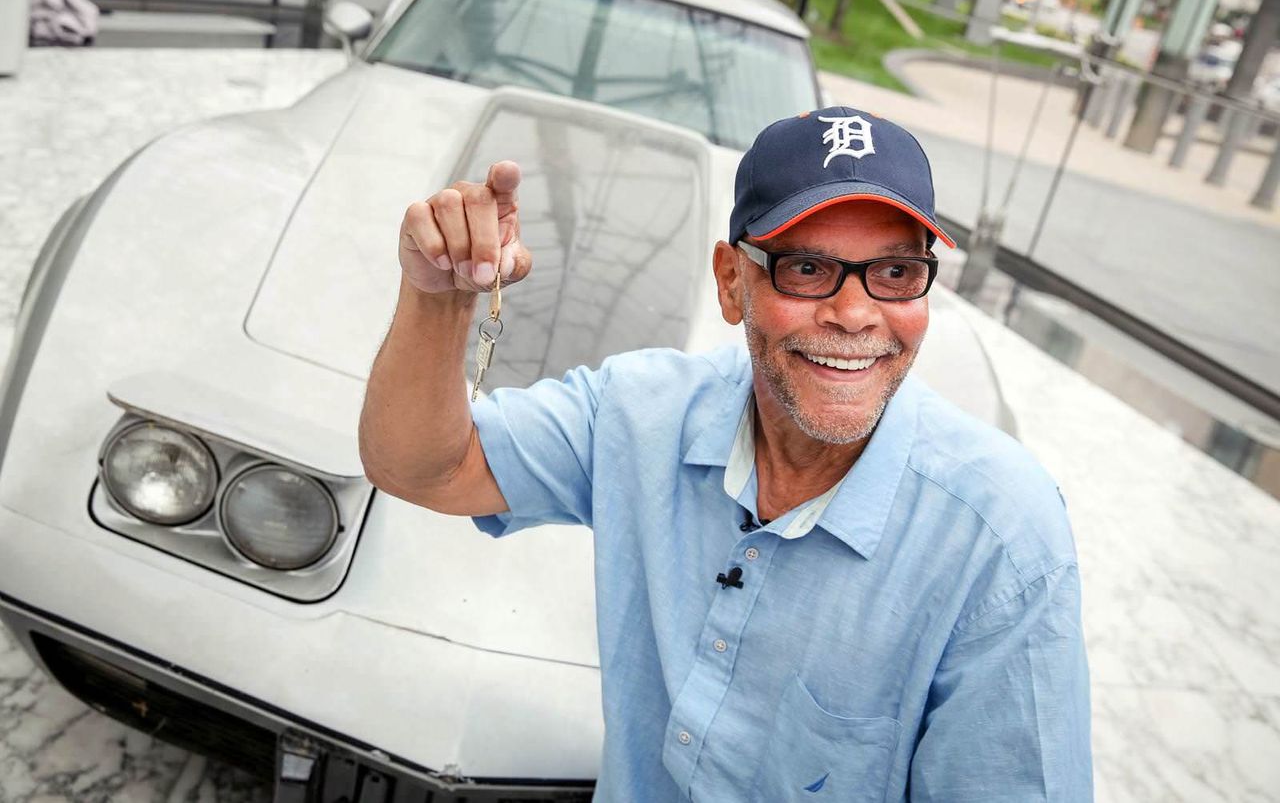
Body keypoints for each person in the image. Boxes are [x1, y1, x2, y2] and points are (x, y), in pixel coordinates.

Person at [359, 106, 1093, 802]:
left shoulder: (1001, 540)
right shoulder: (641, 412)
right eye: (807, 268)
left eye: (896, 273)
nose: (855, 312)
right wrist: (439, 296)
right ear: (732, 280)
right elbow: (424, 466)